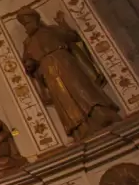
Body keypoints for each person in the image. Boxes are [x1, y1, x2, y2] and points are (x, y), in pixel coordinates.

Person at [17, 9, 121, 141]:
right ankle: (81, 127)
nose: (27, 26)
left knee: (82, 89)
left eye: (28, 22)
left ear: (35, 19)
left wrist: (63, 24)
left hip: (65, 63)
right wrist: (30, 63)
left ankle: (100, 114)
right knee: (64, 99)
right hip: (48, 73)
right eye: (24, 24)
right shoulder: (27, 42)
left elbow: (71, 37)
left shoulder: (52, 30)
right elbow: (28, 60)